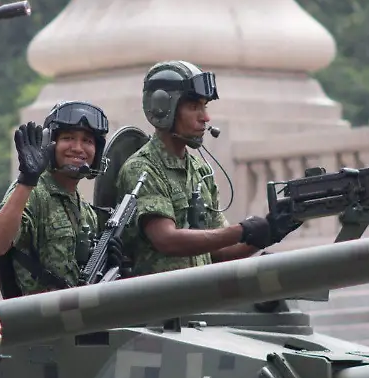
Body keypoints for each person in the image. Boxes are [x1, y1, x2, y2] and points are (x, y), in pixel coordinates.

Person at [116, 60, 303, 276]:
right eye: (194, 107)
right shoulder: (142, 168)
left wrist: (270, 230)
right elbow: (166, 240)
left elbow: (221, 252)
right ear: (163, 108)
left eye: (205, 106)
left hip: (201, 298)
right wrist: (241, 230)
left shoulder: (200, 171)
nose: (205, 117)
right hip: (162, 303)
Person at [0, 101, 115, 297]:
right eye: (68, 138)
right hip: (39, 320)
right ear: (50, 144)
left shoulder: (87, 213)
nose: (78, 148)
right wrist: (27, 180)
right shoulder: (34, 191)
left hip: (76, 319)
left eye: (87, 141)